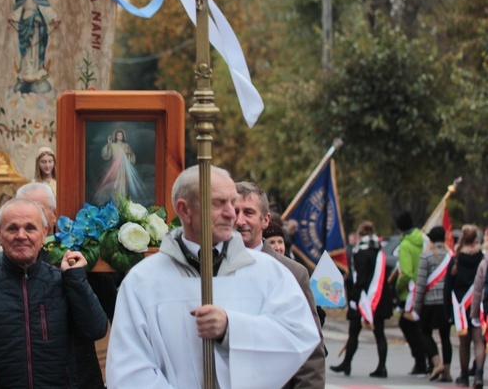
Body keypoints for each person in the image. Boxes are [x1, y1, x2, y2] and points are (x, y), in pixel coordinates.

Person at [106, 166, 319, 389]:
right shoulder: (143, 282)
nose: (232, 214)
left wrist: (231, 328)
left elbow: (300, 336)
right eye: (219, 203)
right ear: (185, 210)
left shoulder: (269, 273)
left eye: (232, 202)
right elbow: (129, 370)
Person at [0, 199, 108, 387]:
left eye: (30, 228)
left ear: (44, 233)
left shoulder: (62, 282)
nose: (21, 236)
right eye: (12, 229)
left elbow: (95, 329)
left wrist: (76, 280)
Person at [233, 181, 326, 388]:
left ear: (265, 220)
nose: (240, 221)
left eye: (248, 212)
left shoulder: (293, 273)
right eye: (234, 211)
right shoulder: (209, 268)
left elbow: (310, 350)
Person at [331, 221, 392, 378]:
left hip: (363, 299)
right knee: (379, 333)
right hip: (379, 298)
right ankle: (382, 366)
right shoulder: (380, 251)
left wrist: (354, 297)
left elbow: (360, 277)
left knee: (354, 332)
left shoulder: (360, 251)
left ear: (360, 234)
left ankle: (347, 364)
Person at [9, 0, 60, 94]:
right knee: (26, 52)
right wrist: (12, 19)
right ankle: (26, 75)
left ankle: (35, 76)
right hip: (24, 27)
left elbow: (45, 8)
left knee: (36, 52)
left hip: (37, 28)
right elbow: (18, 9)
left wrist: (53, 17)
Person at [445, 224, 484, 387]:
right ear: (476, 240)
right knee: (479, 341)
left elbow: (448, 287)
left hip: (460, 307)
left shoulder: (456, 259)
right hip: (479, 304)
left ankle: (463, 376)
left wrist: (448, 312)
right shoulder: (482, 258)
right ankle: (479, 375)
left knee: (464, 343)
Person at [414, 226, 452, 382]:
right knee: (445, 336)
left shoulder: (426, 256)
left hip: (429, 302)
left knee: (424, 331)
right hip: (445, 302)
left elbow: (421, 283)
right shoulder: (450, 256)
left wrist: (416, 306)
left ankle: (437, 362)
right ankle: (447, 371)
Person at [394, 211, 428, 376]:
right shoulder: (422, 240)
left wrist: (397, 288)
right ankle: (426, 359)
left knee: (409, 326)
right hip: (423, 288)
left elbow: (406, 273)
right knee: (418, 327)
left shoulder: (406, 245)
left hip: (409, 293)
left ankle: (421, 361)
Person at [93, 128, 146, 205]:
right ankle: (114, 203)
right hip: (115, 167)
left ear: (123, 136)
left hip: (124, 167)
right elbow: (106, 155)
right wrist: (108, 145)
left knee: (123, 185)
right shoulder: (112, 145)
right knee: (114, 184)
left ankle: (122, 203)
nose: (120, 137)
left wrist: (129, 153)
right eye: (118, 135)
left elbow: (132, 158)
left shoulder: (126, 145)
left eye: (121, 135)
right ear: (116, 136)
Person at [470, 227, 488, 389]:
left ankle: (479, 373)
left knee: (481, 342)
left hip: (487, 308)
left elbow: (478, 290)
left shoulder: (485, 262)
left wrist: (474, 313)